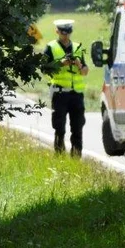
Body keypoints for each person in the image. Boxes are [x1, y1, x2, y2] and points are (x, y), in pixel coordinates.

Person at [43, 18, 89, 156]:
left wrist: (79, 65)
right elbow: (45, 69)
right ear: (57, 31)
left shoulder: (77, 47)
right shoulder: (51, 47)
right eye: (63, 32)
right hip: (60, 93)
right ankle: (59, 154)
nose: (66, 35)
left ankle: (76, 156)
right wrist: (61, 63)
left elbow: (85, 71)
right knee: (59, 127)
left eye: (68, 32)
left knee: (77, 127)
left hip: (76, 94)